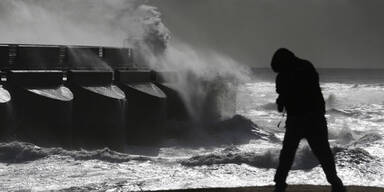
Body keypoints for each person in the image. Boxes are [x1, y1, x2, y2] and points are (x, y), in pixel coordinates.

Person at [271, 48, 345, 192]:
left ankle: (279, 184)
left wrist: (282, 101)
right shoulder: (306, 66)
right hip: (314, 117)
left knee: (287, 153)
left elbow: (284, 97)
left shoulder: (285, 75)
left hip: (300, 119)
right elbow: (313, 90)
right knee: (323, 153)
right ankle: (335, 182)